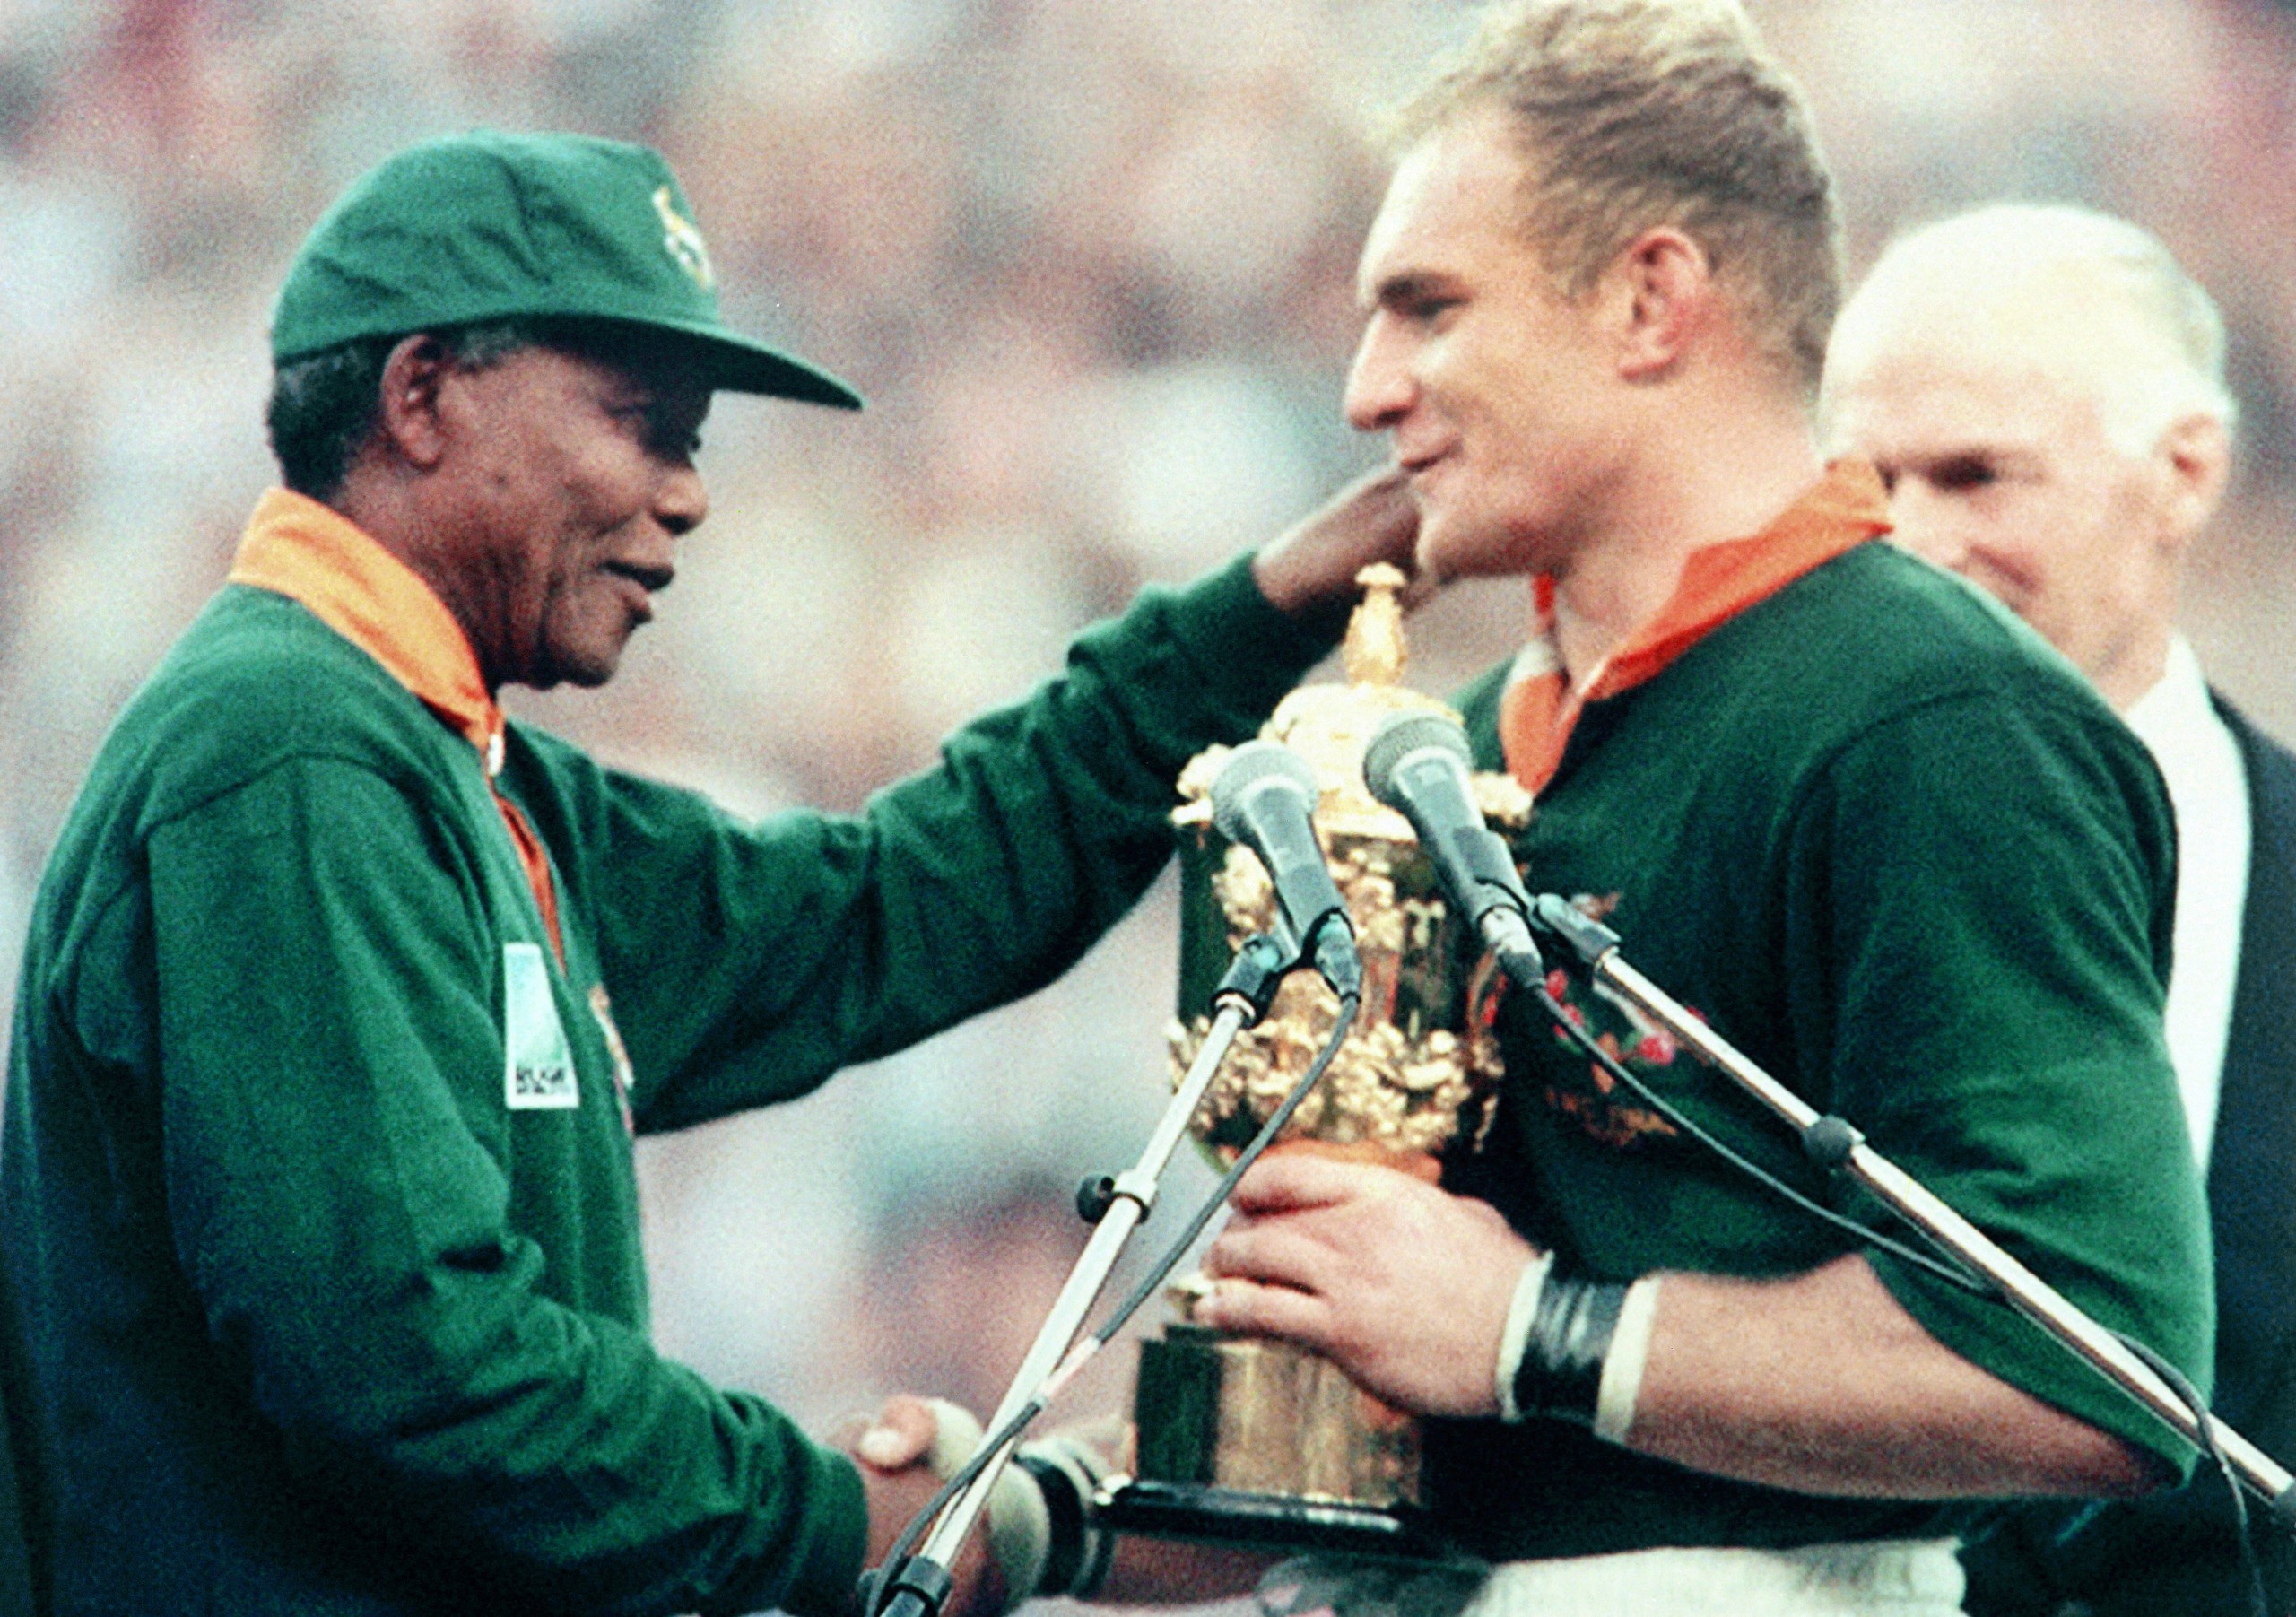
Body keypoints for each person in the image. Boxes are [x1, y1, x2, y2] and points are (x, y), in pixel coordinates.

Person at [0, 129, 1416, 1617]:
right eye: (642, 424)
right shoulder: (293, 756)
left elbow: (882, 910)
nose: (686, 495)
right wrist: (829, 1510)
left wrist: (1275, 605)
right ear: (421, 396)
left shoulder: (452, 764)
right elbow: (413, 1370)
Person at [1181, 4, 2214, 1615]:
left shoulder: (1935, 717)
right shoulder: (1449, 748)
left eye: (1430, 307)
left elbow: (2098, 1366)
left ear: (1650, 300)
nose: (1370, 388)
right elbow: (1429, 1401)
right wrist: (1019, 1514)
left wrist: (1536, 1334)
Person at [1821, 202, 2296, 1617]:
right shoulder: (1728, 863)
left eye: (1977, 477)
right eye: (1865, 483)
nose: (1908, 542)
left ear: (2184, 474)